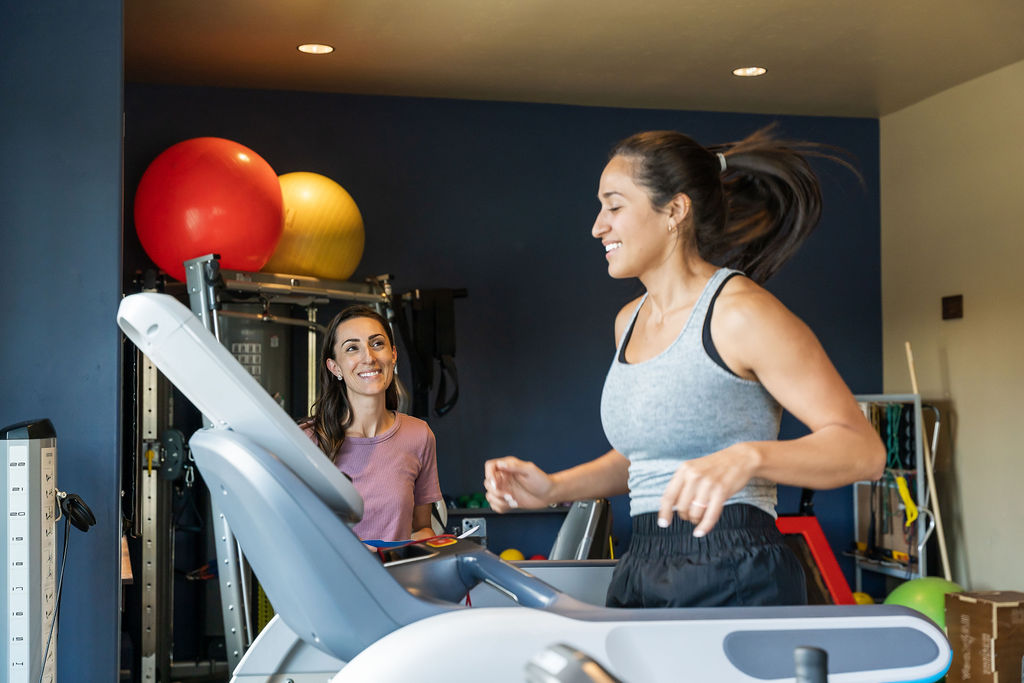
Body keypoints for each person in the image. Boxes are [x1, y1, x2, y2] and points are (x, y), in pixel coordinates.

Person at [484, 127, 885, 608]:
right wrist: (554, 488)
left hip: (735, 562)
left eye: (614, 206)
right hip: (644, 561)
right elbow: (647, 456)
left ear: (674, 211)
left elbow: (862, 450)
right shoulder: (628, 321)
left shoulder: (740, 313)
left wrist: (750, 458)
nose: (597, 226)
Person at [301, 305, 441, 542]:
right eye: (352, 348)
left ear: (393, 355)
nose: (369, 357)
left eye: (377, 344)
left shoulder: (419, 435)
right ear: (335, 367)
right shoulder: (307, 440)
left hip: (397, 578)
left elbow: (422, 529)